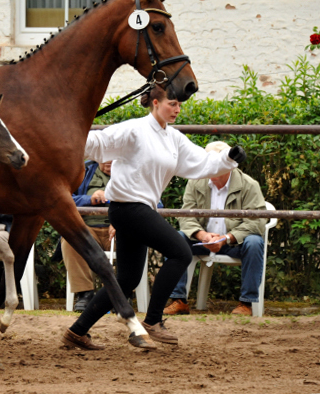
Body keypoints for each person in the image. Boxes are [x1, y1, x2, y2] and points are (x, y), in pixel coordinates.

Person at [61, 85, 247, 350]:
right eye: (172, 104)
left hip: (139, 209)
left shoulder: (173, 138)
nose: (177, 109)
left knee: (127, 279)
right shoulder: (134, 129)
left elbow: (201, 161)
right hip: (128, 208)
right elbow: (98, 143)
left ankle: (77, 331)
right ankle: (153, 321)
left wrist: (228, 158)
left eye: (179, 105)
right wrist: (71, 129)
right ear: (156, 102)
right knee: (181, 252)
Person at [164, 141, 266, 317]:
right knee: (174, 239)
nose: (210, 168)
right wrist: (201, 234)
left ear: (228, 165)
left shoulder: (249, 184)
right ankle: (178, 300)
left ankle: (246, 303)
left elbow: (256, 221)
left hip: (235, 242)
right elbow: (185, 214)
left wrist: (227, 238)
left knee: (255, 242)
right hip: (202, 240)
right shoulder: (195, 182)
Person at [61, 160, 114, 312]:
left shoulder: (132, 170)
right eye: (105, 156)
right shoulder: (82, 171)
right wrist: (88, 199)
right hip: (88, 228)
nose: (109, 161)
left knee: (134, 238)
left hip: (120, 230)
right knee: (71, 239)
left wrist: (123, 217)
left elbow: (155, 203)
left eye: (113, 156)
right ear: (98, 155)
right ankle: (85, 294)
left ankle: (122, 294)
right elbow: (64, 198)